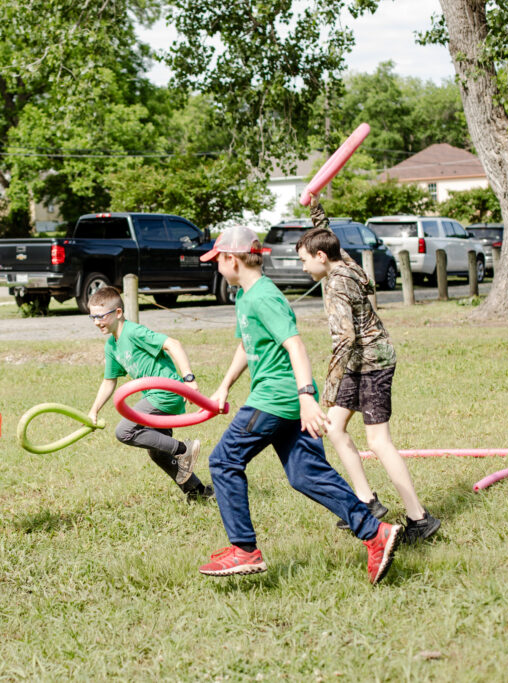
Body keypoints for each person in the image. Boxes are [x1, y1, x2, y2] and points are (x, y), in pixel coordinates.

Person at [197, 225, 402, 584]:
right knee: (305, 474)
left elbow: (296, 345)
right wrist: (224, 386)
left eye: (218, 260)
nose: (216, 267)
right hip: (280, 398)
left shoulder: (265, 297)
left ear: (231, 259)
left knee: (223, 460)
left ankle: (244, 549)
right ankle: (375, 532)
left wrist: (307, 397)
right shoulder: (246, 297)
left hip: (277, 398)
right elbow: (248, 345)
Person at [296, 194, 441, 544]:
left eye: (303, 261)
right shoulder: (342, 261)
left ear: (319, 259)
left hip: (373, 363)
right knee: (334, 427)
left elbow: (345, 339)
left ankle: (419, 518)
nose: (302, 268)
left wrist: (324, 391)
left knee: (378, 441)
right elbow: (327, 235)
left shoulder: (338, 284)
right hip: (359, 363)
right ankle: (366, 501)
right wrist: (315, 209)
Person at [86, 286, 212, 502]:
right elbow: (109, 381)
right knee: (156, 450)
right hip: (154, 395)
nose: (97, 322)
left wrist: (189, 380)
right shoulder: (112, 345)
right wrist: (93, 411)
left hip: (165, 392)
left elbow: (173, 344)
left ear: (117, 313)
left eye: (101, 316)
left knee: (124, 431)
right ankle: (197, 491)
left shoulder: (133, 332)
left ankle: (184, 449)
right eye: (93, 317)